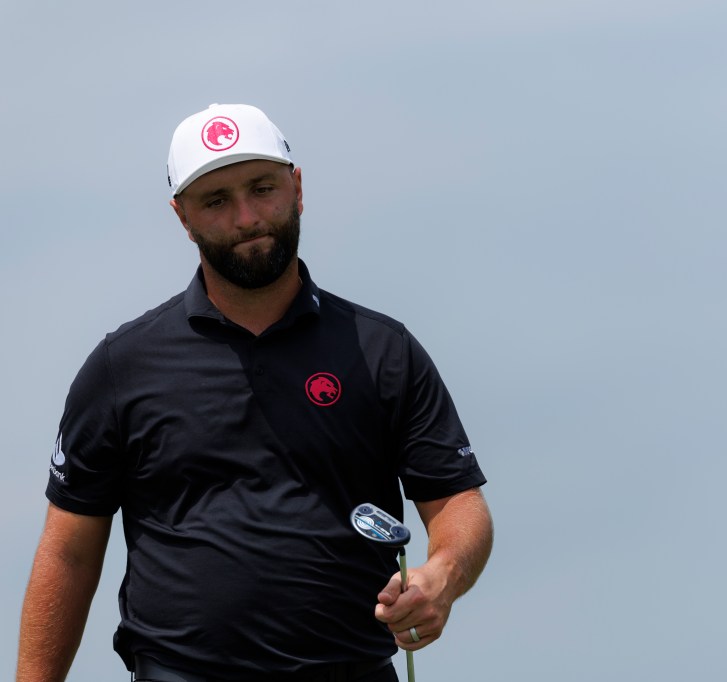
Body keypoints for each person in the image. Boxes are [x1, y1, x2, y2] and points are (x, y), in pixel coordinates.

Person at [17, 103, 493, 682]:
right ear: (182, 217)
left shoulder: (382, 350)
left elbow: (458, 505)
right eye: (216, 200)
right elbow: (68, 551)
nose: (246, 217)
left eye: (262, 188)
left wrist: (441, 573)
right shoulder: (123, 366)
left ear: (297, 188)